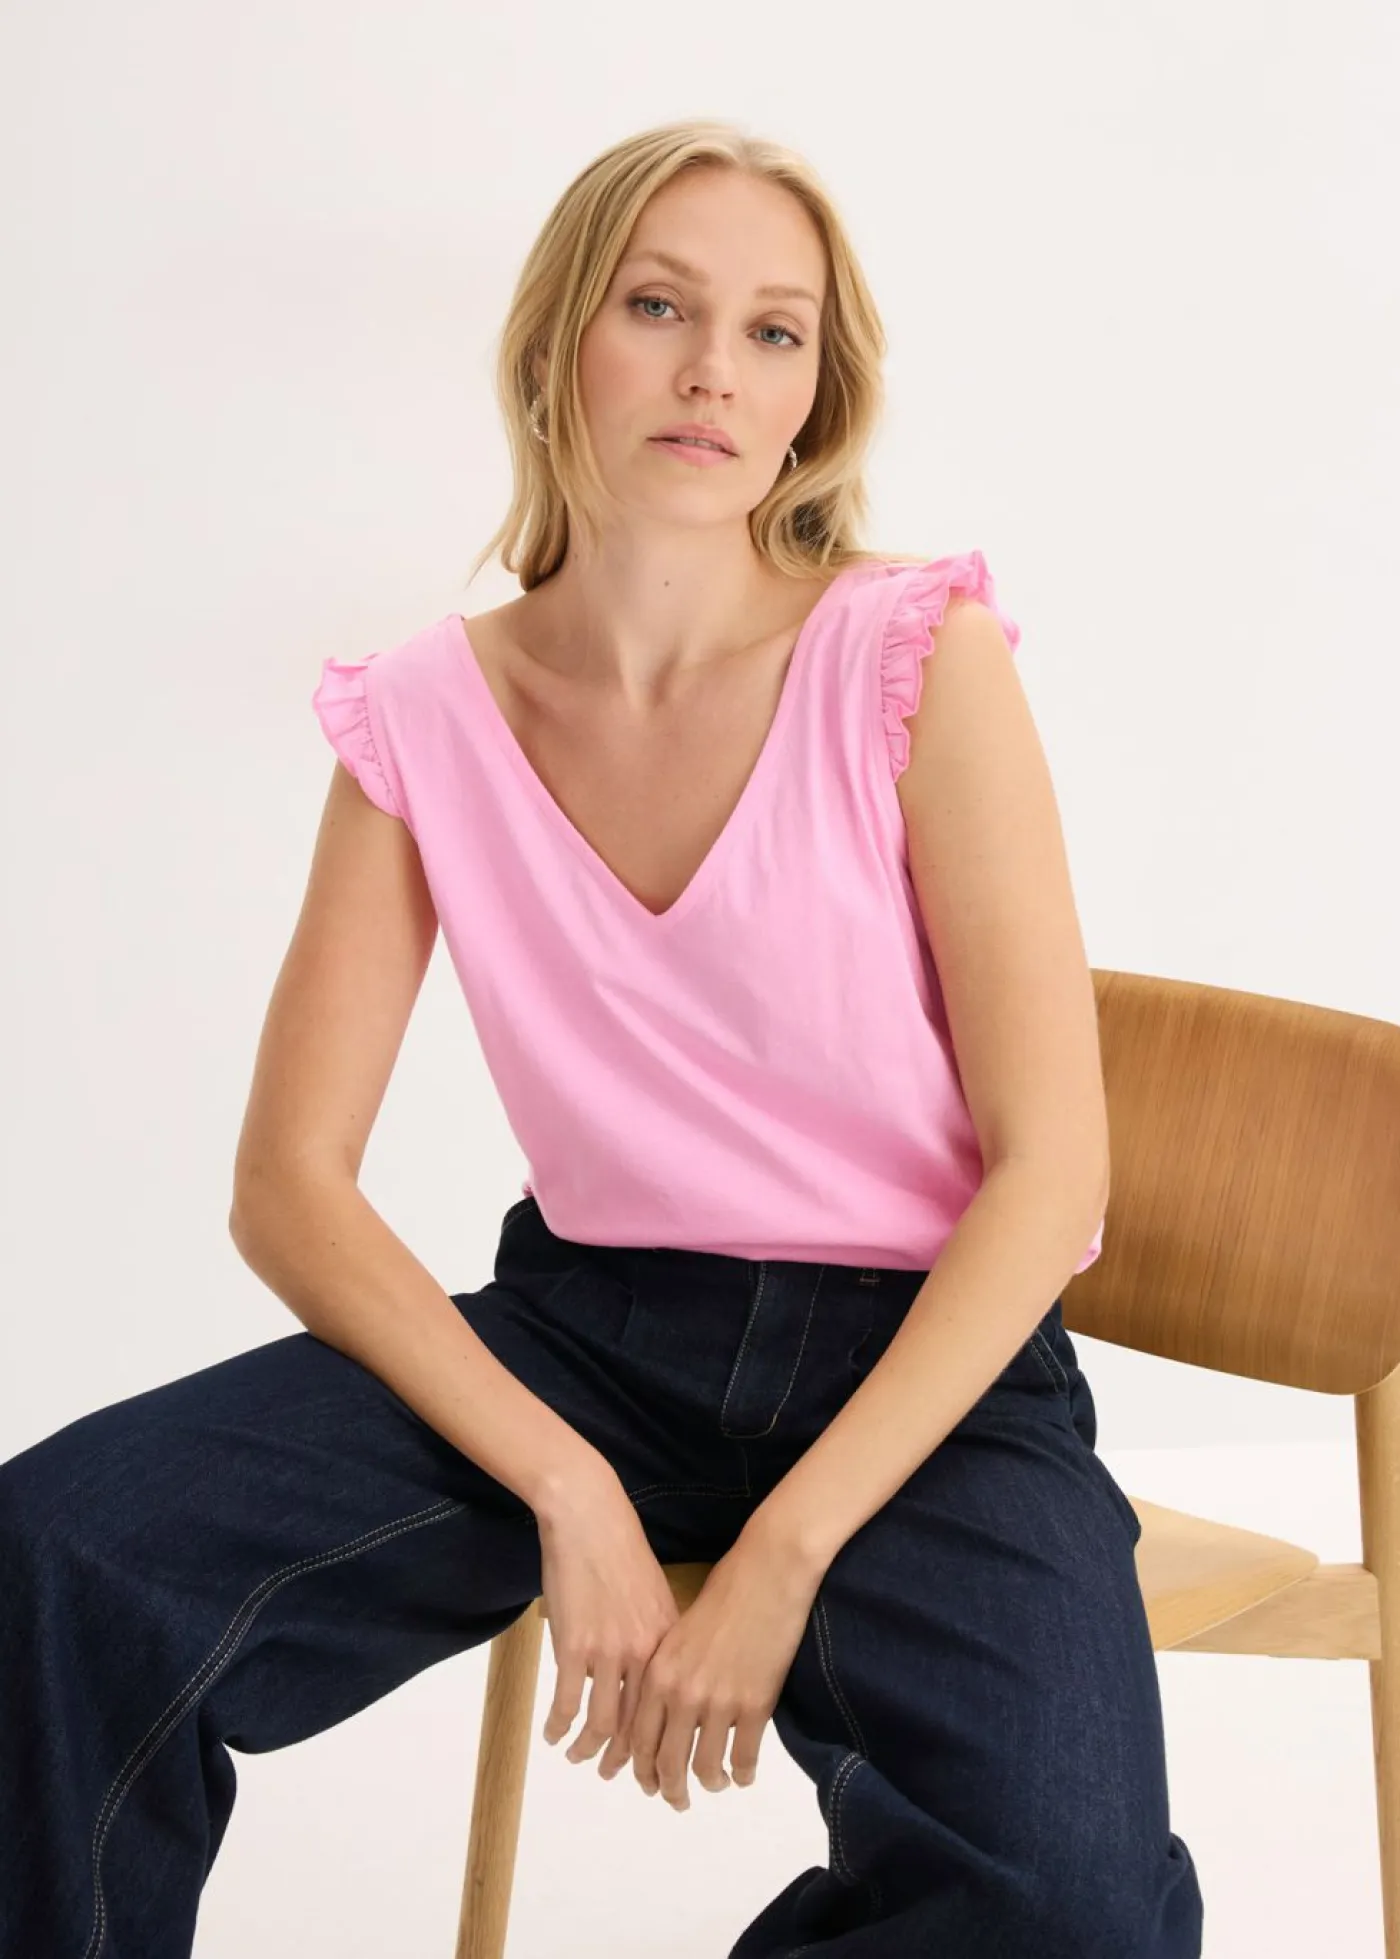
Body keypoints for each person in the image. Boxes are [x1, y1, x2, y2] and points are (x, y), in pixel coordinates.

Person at [0, 118, 1205, 1958]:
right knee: (59, 1556)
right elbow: (289, 1184)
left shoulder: (913, 656)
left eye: (774, 330)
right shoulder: (424, 716)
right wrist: (564, 1478)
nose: (716, 368)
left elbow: (1052, 1178)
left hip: (929, 1371)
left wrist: (785, 1547)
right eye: (659, 306)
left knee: (1074, 1911)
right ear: (561, 338)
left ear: (812, 400)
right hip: (592, 1340)